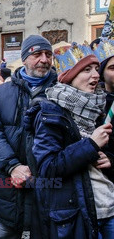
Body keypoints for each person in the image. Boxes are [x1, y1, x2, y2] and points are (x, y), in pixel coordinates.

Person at [29, 43, 114, 238]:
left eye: (95, 69)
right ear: (69, 76)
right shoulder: (50, 113)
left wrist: (109, 159)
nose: (95, 75)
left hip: (109, 206)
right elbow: (47, 168)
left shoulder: (97, 108)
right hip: (78, 214)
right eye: (86, 70)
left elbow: (104, 154)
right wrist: (90, 145)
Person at [0, 34, 56, 238]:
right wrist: (13, 166)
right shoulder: (3, 92)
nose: (44, 59)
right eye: (37, 54)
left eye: (48, 54)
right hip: (9, 183)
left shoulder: (61, 91)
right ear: (24, 58)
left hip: (47, 184)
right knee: (6, 231)